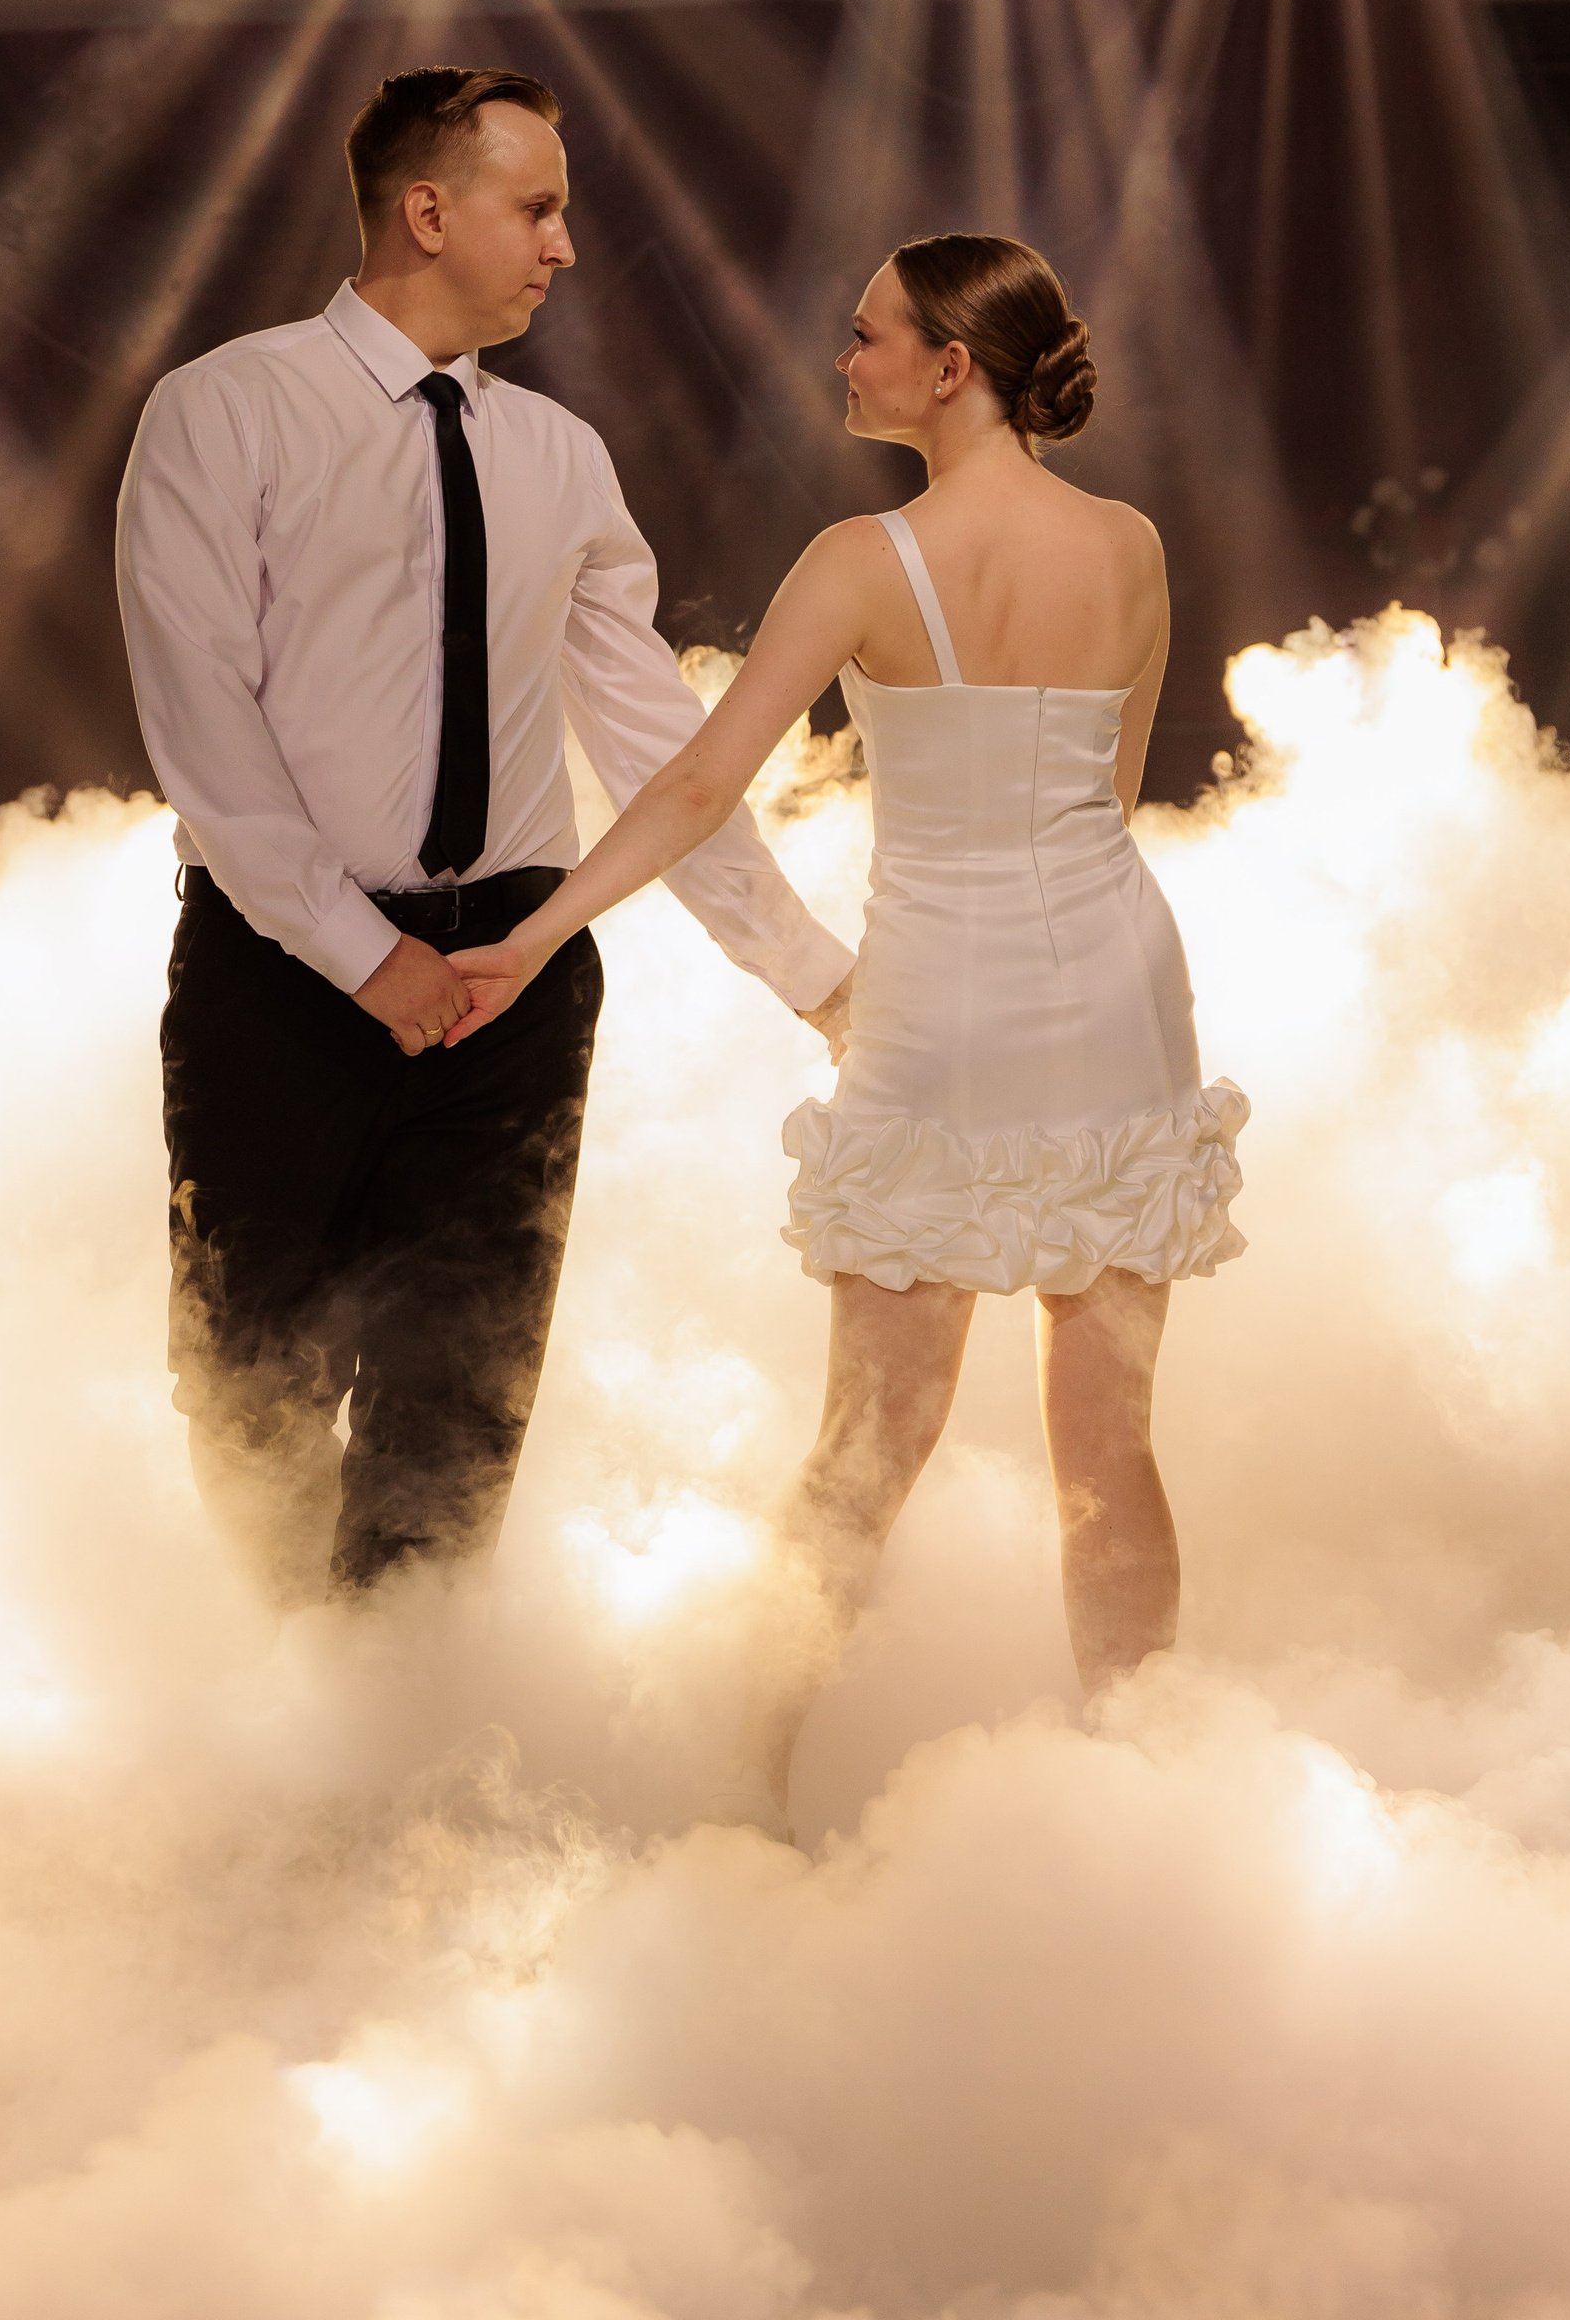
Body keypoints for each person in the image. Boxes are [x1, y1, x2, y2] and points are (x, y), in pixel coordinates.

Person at [446, 232, 1248, 1835]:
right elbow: (1110, 798)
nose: (846, 355)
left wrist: (530, 936)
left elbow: (694, 785)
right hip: (1116, 985)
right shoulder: (1129, 546)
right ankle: (1149, 1807)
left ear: (953, 368)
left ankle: (746, 1806)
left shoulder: (862, 562)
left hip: (938, 1002)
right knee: (1109, 1449)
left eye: (870, 334)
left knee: (865, 1449)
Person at [113, 66, 854, 1607]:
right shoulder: (225, 409)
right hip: (279, 978)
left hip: (513, 983)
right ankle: (276, 1708)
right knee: (250, 1390)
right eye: (539, 209)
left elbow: (663, 748)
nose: (565, 246)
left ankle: (399, 1732)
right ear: (429, 211)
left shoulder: (560, 455)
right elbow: (204, 726)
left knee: (460, 1406)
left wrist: (813, 975)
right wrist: (360, 952)